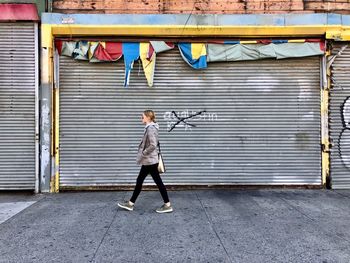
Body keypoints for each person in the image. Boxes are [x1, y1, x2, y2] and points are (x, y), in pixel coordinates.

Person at [118, 110, 173, 214]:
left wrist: (144, 152)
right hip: (151, 160)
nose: (141, 118)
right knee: (146, 181)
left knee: (145, 181)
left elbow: (153, 144)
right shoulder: (151, 127)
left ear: (148, 117)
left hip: (150, 160)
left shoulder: (150, 128)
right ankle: (131, 203)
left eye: (142, 116)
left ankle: (167, 205)